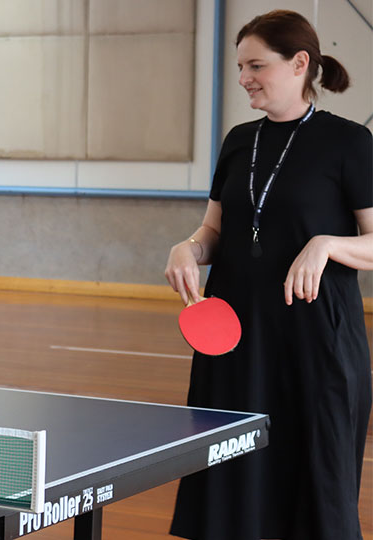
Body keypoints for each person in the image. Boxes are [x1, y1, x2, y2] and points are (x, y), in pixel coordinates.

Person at [164, 9, 372, 540]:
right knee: (230, 478)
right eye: (239, 67)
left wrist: (328, 244)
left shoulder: (349, 143)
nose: (243, 78)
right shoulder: (238, 140)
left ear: (300, 63)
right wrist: (187, 249)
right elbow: (213, 230)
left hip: (314, 344)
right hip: (233, 339)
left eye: (255, 65)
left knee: (313, 480)